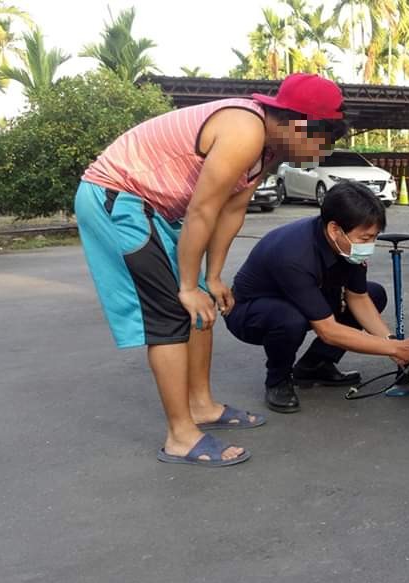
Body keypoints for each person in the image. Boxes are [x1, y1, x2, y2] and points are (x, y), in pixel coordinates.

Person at [75, 73, 347, 467]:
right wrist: (187, 284)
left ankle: (201, 406)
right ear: (297, 123)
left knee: (201, 300)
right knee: (171, 312)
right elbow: (202, 210)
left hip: (158, 209)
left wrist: (211, 277)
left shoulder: (269, 150)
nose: (319, 154)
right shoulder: (244, 130)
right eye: (320, 141)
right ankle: (180, 436)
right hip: (118, 198)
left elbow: (232, 209)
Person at [224, 181, 409, 413]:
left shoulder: (346, 246)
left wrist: (393, 343)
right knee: (290, 319)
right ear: (334, 230)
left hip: (302, 298)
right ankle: (278, 380)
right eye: (364, 239)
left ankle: (314, 366)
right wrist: (395, 350)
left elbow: (358, 299)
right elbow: (327, 330)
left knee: (374, 294)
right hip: (250, 312)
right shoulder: (293, 254)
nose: (369, 245)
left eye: (374, 237)